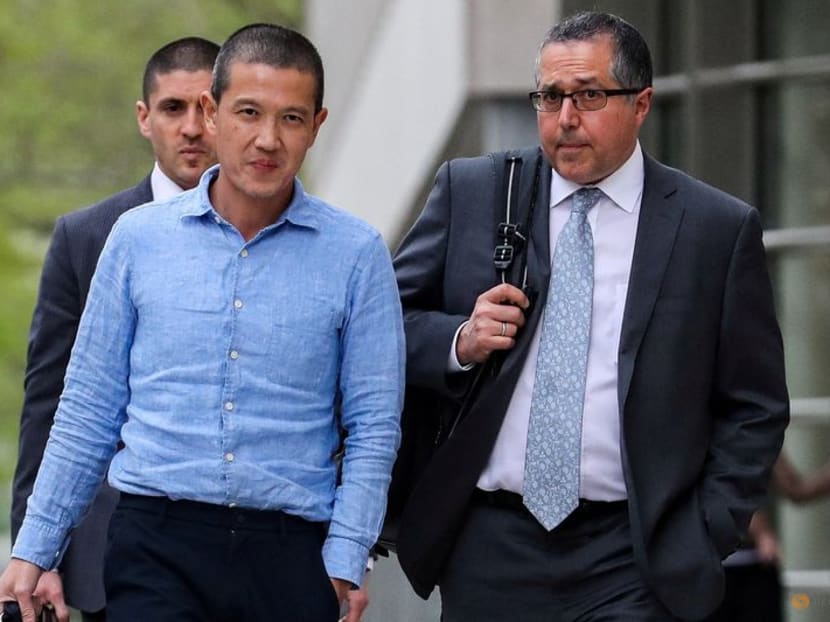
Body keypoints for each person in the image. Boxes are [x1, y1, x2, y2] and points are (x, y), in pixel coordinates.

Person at [392, 10, 789, 622]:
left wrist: (706, 528)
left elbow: (754, 404)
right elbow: (384, 329)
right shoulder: (475, 191)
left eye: (589, 96)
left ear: (642, 103)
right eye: (550, 97)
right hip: (491, 543)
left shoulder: (715, 229)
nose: (566, 119)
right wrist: (460, 340)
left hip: (631, 554)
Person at [0, 22, 403, 622]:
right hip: (155, 543)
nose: (268, 139)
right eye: (248, 112)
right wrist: (34, 550)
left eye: (291, 118)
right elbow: (87, 408)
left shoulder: (357, 254)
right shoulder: (136, 240)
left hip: (292, 554)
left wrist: (346, 555)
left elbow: (374, 425)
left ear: (317, 126)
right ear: (214, 115)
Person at [8, 36, 219, 622]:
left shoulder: (295, 238)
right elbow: (48, 406)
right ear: (144, 118)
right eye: (173, 108)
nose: (192, 127)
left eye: (206, 106)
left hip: (250, 555)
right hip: (113, 555)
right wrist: (38, 552)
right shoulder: (85, 237)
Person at [705, 452, 830, 622]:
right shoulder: (703, 435)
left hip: (756, 563)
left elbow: (796, 488)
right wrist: (762, 532)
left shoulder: (764, 432)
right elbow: (720, 486)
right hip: (712, 565)